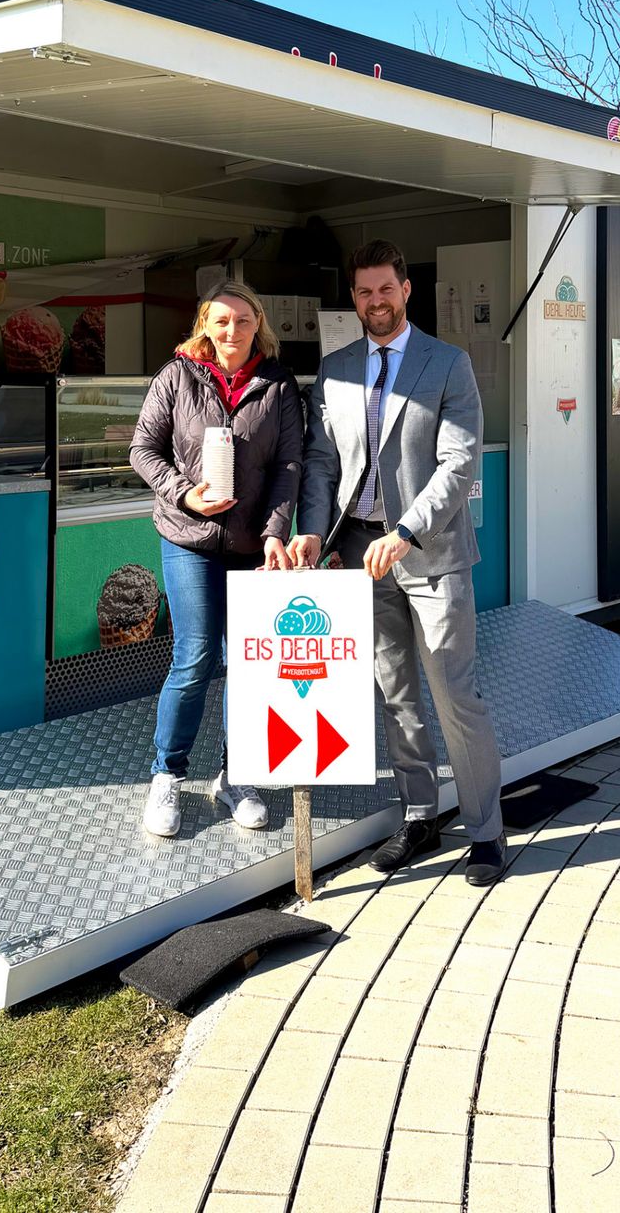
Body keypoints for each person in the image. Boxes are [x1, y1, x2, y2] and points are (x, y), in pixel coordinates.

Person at [290, 239, 506, 886]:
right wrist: (312, 533)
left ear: (406, 290)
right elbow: (322, 462)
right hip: (360, 554)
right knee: (395, 692)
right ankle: (419, 816)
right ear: (354, 298)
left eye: (386, 288)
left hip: (430, 553)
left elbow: (459, 462)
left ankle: (486, 831)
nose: (376, 301)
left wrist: (407, 530)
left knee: (454, 694)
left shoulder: (448, 363)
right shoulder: (335, 369)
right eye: (365, 292)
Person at [130, 280, 302, 838]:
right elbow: (142, 450)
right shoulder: (176, 376)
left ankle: (236, 776)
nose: (233, 330)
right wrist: (185, 494)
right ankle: (167, 774)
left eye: (244, 320)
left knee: (247, 664)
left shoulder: (278, 384)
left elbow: (289, 466)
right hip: (189, 540)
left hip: (253, 547)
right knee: (195, 656)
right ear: (204, 323)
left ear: (259, 325)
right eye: (222, 320)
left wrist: (275, 532)